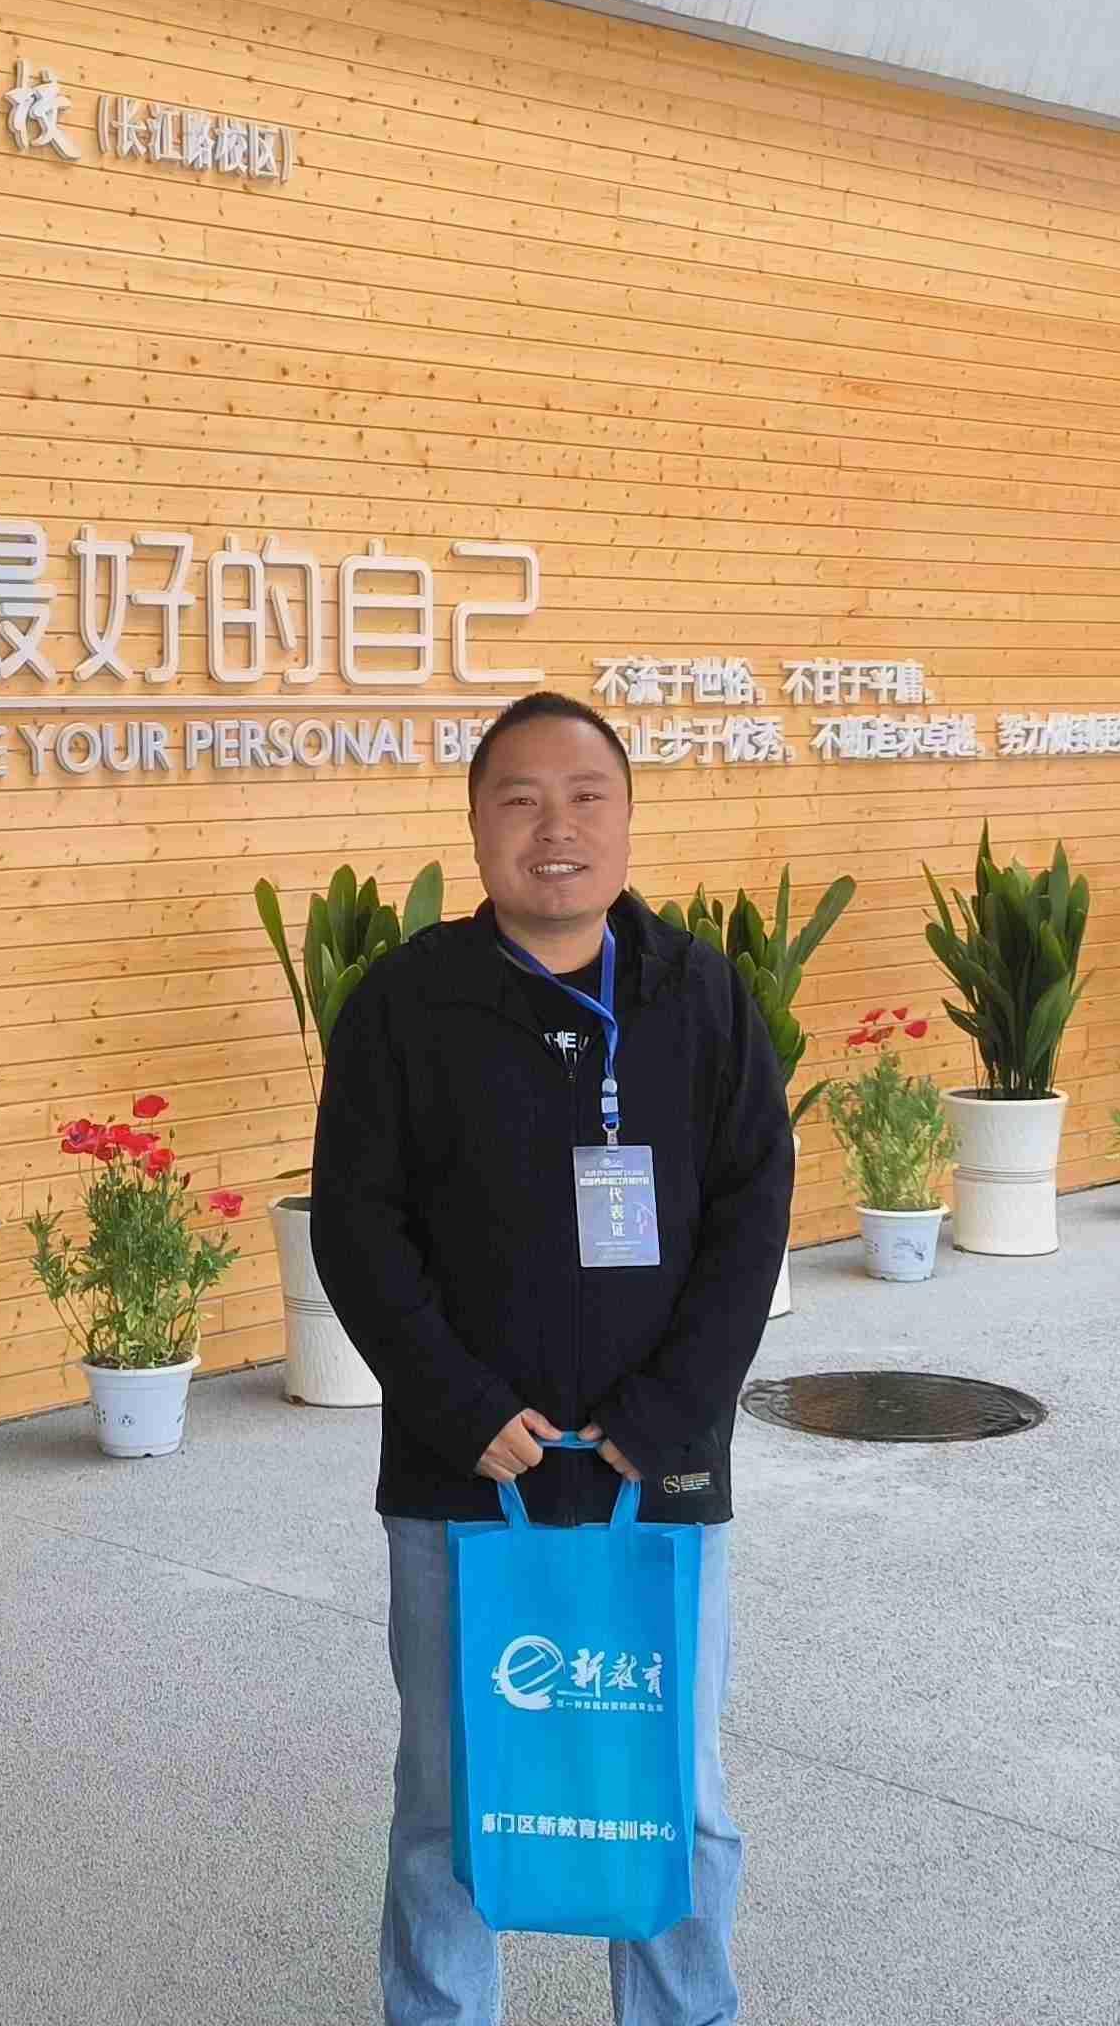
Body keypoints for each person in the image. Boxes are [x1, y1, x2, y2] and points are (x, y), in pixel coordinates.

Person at [311, 689, 794, 2026]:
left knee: (676, 1790)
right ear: (475, 824)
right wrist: (461, 1407)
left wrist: (672, 1411)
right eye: (520, 800)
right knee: (451, 1792)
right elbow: (356, 1225)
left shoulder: (700, 994)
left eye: (587, 798)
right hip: (467, 1474)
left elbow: (755, 1209)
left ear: (629, 819)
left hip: (660, 1476)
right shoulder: (406, 1003)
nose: (556, 829)